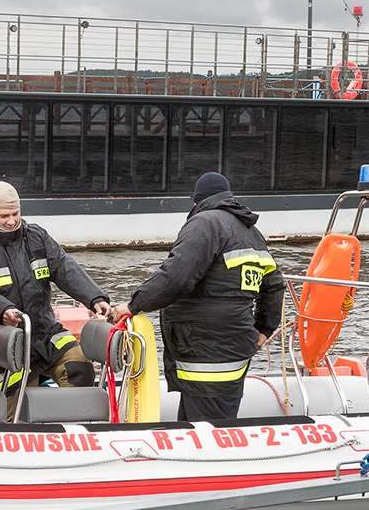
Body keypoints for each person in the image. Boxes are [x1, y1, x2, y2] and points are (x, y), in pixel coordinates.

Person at [109, 172, 284, 422]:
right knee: (202, 426)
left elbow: (175, 277)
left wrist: (133, 305)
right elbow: (275, 285)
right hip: (234, 353)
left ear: (197, 201)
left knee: (208, 438)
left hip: (205, 353)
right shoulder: (251, 232)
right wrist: (264, 328)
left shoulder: (206, 223)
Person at [0, 181, 110, 410]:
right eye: (4, 216)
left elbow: (64, 268)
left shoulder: (36, 236)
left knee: (80, 365)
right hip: (8, 340)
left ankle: (75, 423)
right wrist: (3, 310)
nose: (11, 221)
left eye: (15, 213)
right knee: (15, 399)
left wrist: (95, 298)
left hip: (45, 331)